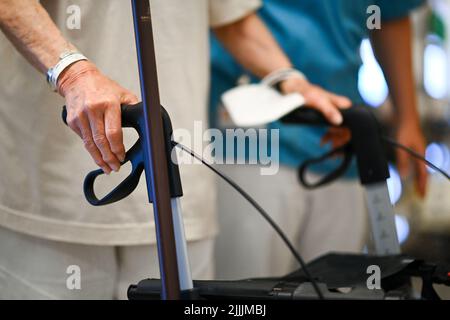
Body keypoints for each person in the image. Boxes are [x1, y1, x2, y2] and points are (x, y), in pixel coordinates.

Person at [0, 0, 345, 299]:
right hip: (50, 191)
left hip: (180, 191)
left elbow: (232, 16)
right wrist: (71, 73)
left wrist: (291, 81)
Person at [210, 0, 428, 280]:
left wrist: (408, 118)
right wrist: (293, 83)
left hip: (341, 133)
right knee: (246, 293)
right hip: (250, 133)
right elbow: (229, 15)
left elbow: (390, 12)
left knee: (339, 288)